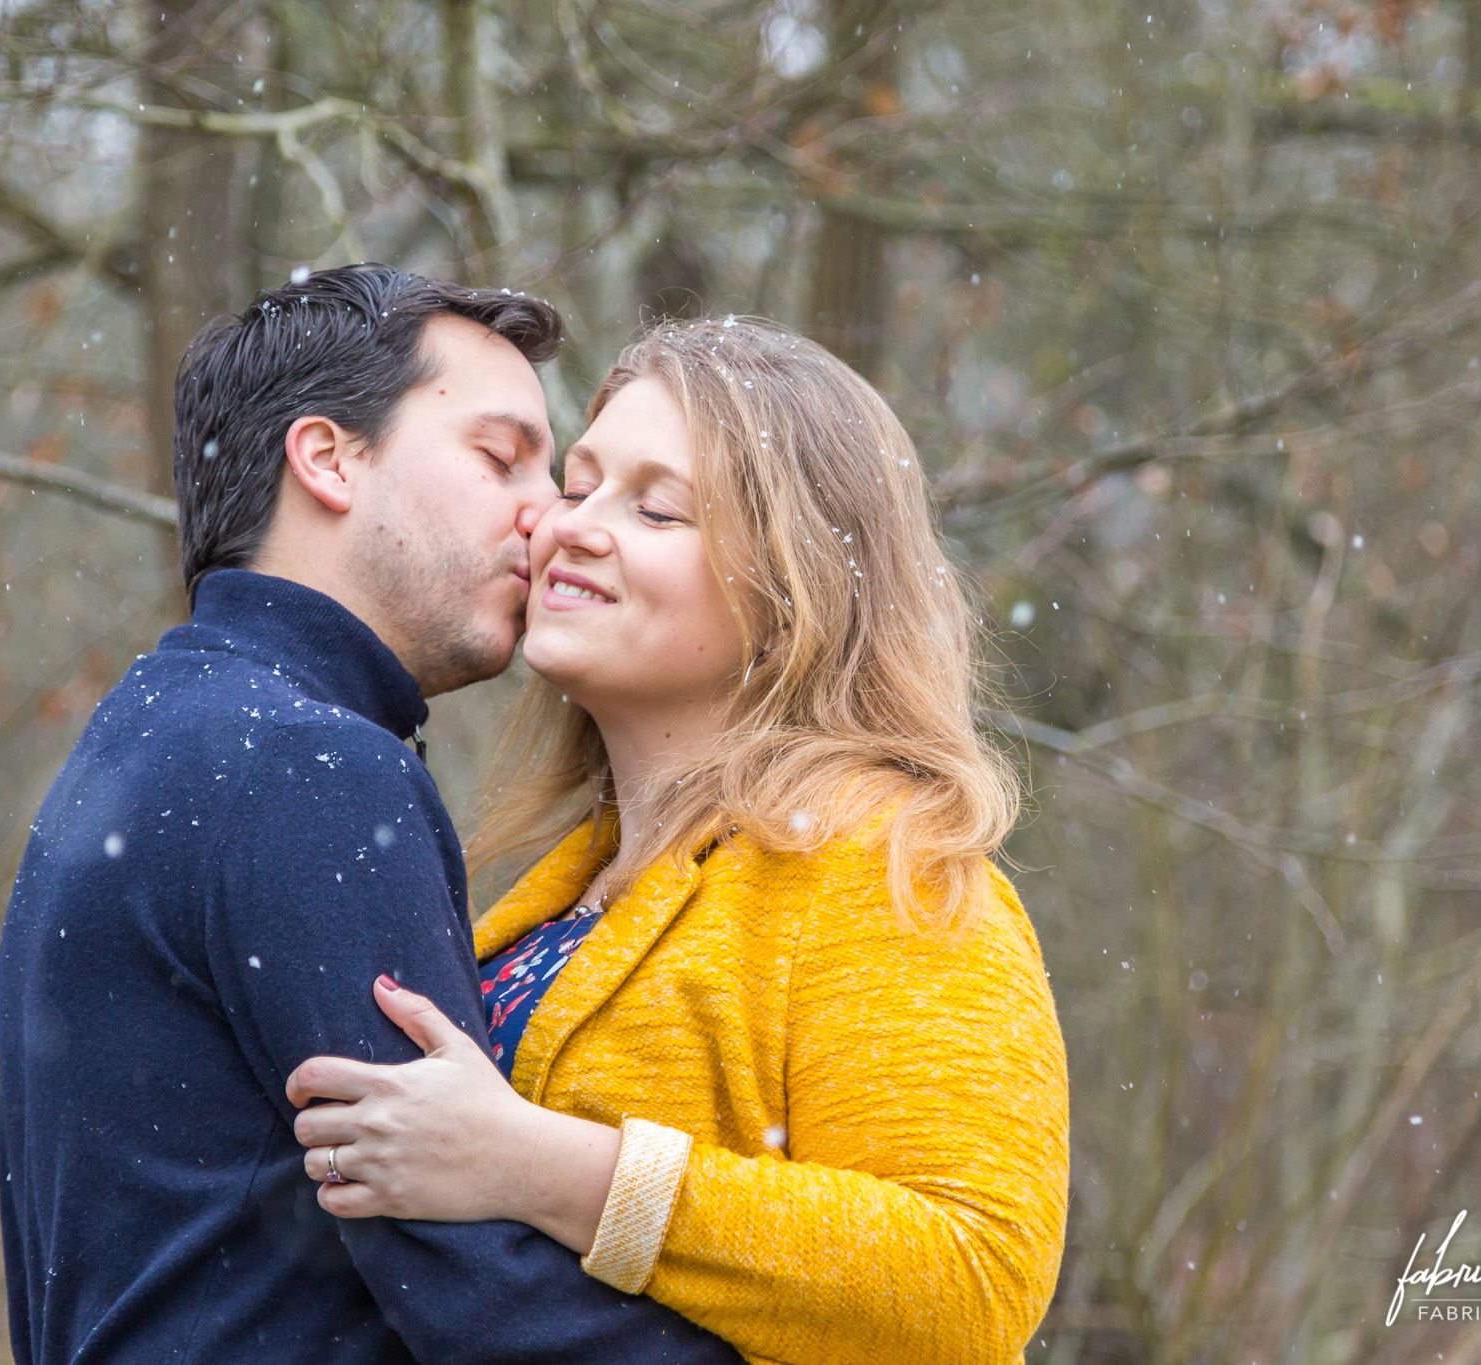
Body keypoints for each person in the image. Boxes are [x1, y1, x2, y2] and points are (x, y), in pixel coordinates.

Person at [285, 318, 1072, 1365]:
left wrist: (545, 1167)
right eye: (577, 484)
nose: (569, 527)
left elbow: (970, 1277)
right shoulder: (568, 892)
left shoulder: (886, 867)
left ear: (794, 596)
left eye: (655, 507)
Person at [0, 265, 737, 1364]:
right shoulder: (303, 765)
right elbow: (469, 1278)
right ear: (329, 459)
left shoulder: (148, 733)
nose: (549, 517)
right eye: (500, 458)